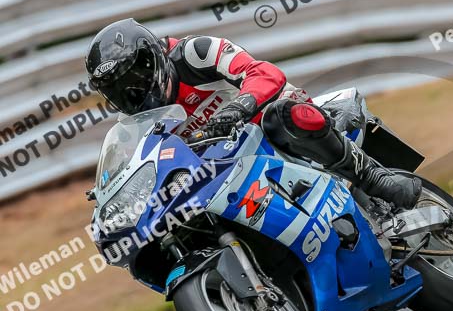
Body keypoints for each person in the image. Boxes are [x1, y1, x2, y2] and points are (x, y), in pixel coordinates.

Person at [84, 18, 421, 209]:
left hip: (273, 126)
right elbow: (141, 163)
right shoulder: (134, 125)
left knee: (281, 116)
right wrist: (112, 188)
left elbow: (265, 74)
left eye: (134, 81)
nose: (132, 94)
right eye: (119, 91)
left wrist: (237, 108)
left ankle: (372, 178)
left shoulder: (195, 53)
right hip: (226, 170)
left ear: (151, 60)